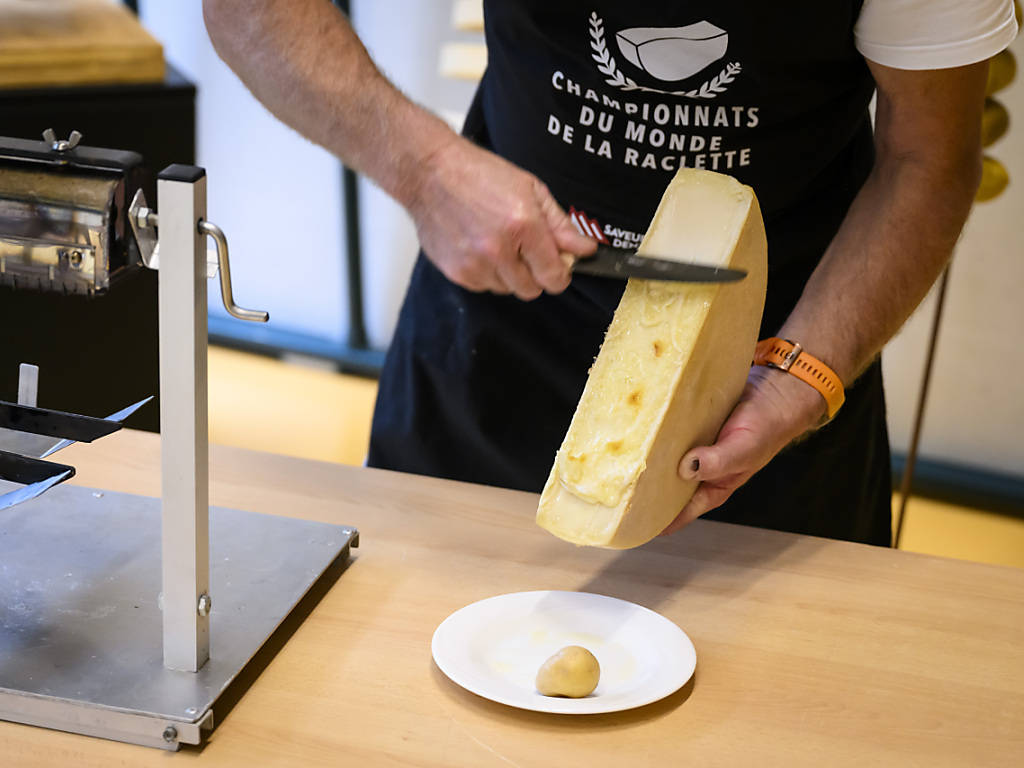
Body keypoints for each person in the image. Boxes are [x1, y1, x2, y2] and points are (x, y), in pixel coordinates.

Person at [204, 1, 1018, 546]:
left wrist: (800, 381)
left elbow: (926, 158)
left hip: (777, 361)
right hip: (494, 343)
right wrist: (426, 172)